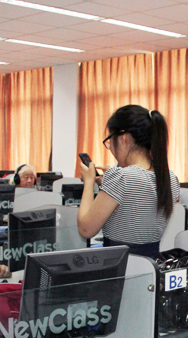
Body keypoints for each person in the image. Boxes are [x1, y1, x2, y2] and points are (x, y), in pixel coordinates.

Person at [77, 104, 180, 258]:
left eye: (110, 141)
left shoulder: (120, 177)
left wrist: (89, 182)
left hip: (119, 266)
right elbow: (135, 199)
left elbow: (86, 229)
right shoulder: (170, 179)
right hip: (150, 266)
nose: (111, 148)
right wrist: (108, 185)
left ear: (124, 138)